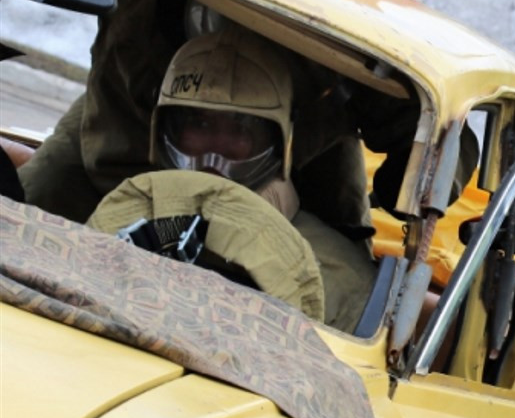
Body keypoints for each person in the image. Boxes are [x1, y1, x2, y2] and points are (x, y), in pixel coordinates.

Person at [112, 26, 378, 332]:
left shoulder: (336, 273)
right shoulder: (127, 214)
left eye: (240, 129)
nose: (214, 149)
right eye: (198, 124)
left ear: (278, 143)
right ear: (164, 132)